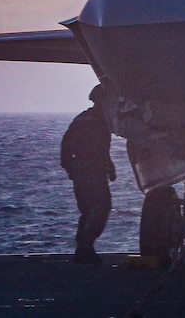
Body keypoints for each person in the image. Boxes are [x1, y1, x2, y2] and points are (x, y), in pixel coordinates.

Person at [60, 85, 116, 265]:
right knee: (100, 208)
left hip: (87, 171)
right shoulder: (91, 121)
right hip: (90, 172)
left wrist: (109, 166)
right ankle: (86, 247)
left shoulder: (90, 120)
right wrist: (73, 167)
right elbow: (88, 149)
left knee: (89, 211)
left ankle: (83, 249)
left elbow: (98, 149)